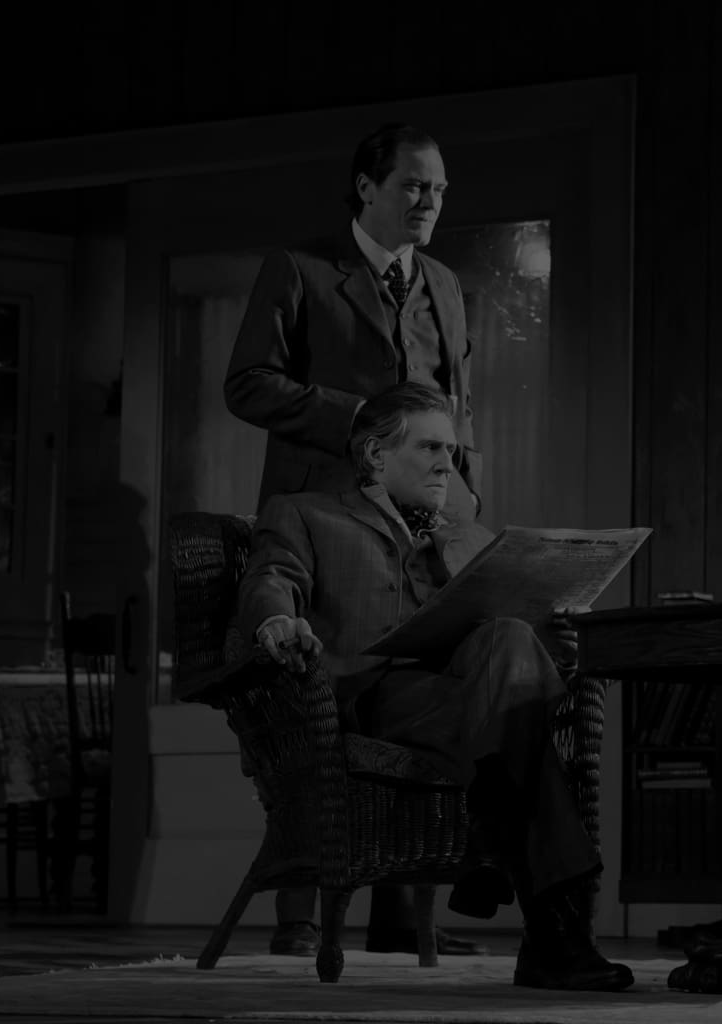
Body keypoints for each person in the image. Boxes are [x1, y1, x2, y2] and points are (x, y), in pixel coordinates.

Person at [237, 382, 632, 992]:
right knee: (521, 730)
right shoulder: (306, 512)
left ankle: (493, 837)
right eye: (429, 448)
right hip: (379, 695)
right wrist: (277, 620)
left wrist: (558, 640)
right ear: (374, 453)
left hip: (473, 698)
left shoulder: (467, 530)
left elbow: (514, 641)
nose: (449, 462)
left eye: (451, 449)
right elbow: (271, 577)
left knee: (507, 639)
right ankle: (556, 936)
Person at [224, 122, 483, 958]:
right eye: (415, 186)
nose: (430, 202)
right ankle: (300, 919)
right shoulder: (299, 270)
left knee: (432, 685)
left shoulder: (443, 282)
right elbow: (248, 383)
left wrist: (464, 495)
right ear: (367, 187)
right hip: (324, 518)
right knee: (319, 702)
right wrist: (362, 423)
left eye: (439, 189)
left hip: (423, 532)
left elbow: (455, 405)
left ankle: (413, 922)